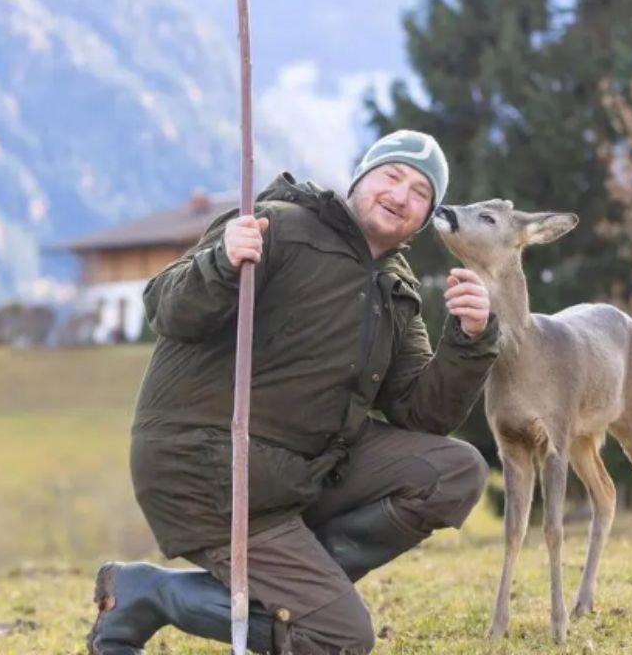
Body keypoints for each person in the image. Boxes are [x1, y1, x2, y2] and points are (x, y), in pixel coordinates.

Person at [87, 130, 501, 655]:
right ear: (360, 178)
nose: (402, 195)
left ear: (425, 217)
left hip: (298, 473)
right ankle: (152, 596)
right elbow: (167, 309)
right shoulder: (278, 225)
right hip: (209, 468)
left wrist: (469, 339)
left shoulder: (395, 289)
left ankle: (300, 584)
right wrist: (220, 262)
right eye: (392, 176)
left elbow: (421, 414)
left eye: (421, 192)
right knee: (340, 638)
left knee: (455, 470)